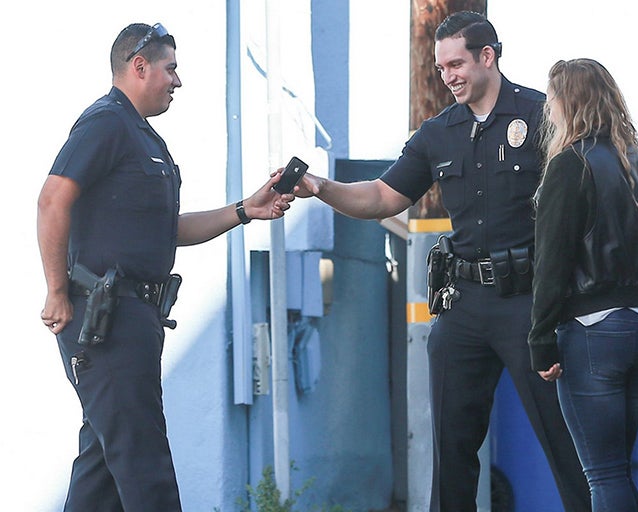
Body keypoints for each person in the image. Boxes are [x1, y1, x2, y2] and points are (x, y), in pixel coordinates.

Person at [294, 11, 590, 512]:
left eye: (456, 64)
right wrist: (322, 189)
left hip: (531, 303)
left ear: (487, 57)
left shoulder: (541, 116)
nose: (447, 76)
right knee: (451, 447)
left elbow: (583, 197)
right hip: (465, 303)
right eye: (440, 68)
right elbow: (383, 197)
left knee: (564, 442)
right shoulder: (438, 132)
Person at [37, 23, 294, 511]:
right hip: (105, 319)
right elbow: (53, 199)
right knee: (144, 464)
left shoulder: (141, 136)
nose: (178, 80)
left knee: (103, 469)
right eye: (170, 68)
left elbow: (166, 228)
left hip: (135, 318)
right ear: (139, 67)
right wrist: (56, 290)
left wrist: (246, 209)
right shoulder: (106, 124)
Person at [528, 58, 638, 512]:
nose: (547, 109)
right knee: (620, 470)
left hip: (592, 333)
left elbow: (551, 263)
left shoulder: (571, 165)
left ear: (568, 103)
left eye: (551, 99)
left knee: (604, 475)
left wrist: (541, 342)